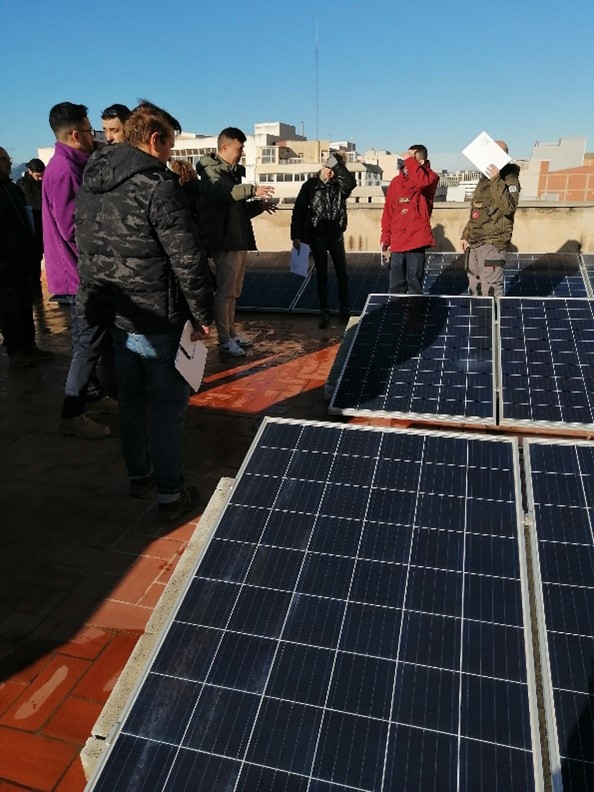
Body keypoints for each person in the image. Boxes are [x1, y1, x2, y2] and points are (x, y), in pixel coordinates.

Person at [76, 100, 214, 521]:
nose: (172, 155)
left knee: (131, 399)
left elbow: (88, 246)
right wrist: (203, 316)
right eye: (170, 145)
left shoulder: (91, 179)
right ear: (154, 140)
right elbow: (187, 258)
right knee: (167, 405)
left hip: (117, 314)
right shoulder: (158, 184)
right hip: (157, 315)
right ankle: (171, 494)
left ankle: (140, 474)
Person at [42, 101, 113, 439]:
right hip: (77, 275)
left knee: (93, 339)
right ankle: (71, 415)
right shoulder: (64, 170)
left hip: (81, 272)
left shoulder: (74, 163)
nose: (94, 137)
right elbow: (73, 229)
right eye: (89, 132)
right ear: (74, 134)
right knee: (88, 343)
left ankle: (94, 394)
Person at [197, 127, 275, 356]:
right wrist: (253, 190)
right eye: (239, 148)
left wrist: (258, 206)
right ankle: (224, 339)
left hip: (237, 240)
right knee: (224, 293)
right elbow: (225, 194)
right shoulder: (212, 174)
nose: (241, 153)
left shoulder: (230, 175)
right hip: (225, 242)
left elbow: (236, 211)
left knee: (233, 292)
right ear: (224, 147)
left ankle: (230, 333)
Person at [0, 147, 53, 367]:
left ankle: (29, 345)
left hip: (22, 259)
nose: (8, 163)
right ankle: (15, 350)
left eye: (8, 159)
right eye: (3, 160)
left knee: (25, 304)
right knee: (8, 308)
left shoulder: (12, 190)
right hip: (3, 265)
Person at [291, 151, 356, 328]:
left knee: (342, 274)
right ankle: (324, 312)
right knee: (321, 276)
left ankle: (345, 309)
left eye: (333, 168)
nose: (329, 171)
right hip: (317, 237)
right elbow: (298, 211)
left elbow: (351, 183)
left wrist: (337, 165)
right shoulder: (311, 185)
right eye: (327, 167)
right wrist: (296, 236)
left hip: (336, 236)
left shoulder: (340, 186)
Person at [460, 140, 521, 297]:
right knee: (474, 284)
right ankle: (479, 318)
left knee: (491, 288)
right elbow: (476, 211)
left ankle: (492, 320)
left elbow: (509, 207)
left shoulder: (510, 180)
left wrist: (495, 180)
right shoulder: (483, 181)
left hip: (493, 243)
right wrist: (465, 235)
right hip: (474, 241)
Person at [381, 145, 439, 294]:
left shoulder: (430, 177)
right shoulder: (396, 182)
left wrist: (409, 161)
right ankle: (396, 316)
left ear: (420, 162)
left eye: (410, 159)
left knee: (415, 286)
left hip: (416, 241)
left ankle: (415, 316)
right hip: (397, 242)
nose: (405, 163)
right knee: (395, 287)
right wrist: (385, 238)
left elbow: (421, 183)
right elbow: (388, 212)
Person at [17, 158, 45, 295]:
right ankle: (35, 288)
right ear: (30, 171)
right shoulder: (22, 185)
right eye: (37, 176)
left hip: (44, 224)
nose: (40, 179)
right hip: (32, 227)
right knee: (34, 259)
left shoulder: (44, 183)